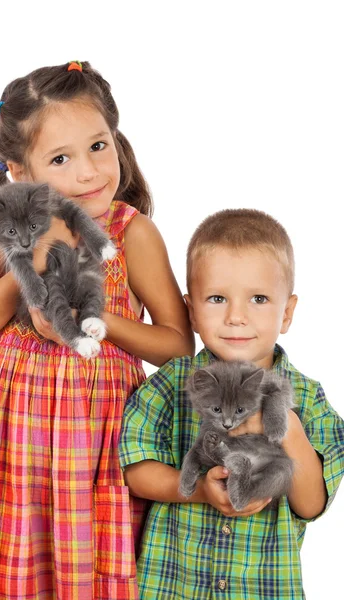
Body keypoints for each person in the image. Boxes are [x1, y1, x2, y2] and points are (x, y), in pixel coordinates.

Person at [0, 60, 194, 600]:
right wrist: (23, 268)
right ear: (19, 171)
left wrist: (100, 324)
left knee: (89, 568)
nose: (88, 172)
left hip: (95, 444)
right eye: (61, 158)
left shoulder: (133, 233)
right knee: (12, 564)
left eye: (98, 146)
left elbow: (178, 346)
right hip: (10, 447)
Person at [119, 208, 344, 599]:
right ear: (191, 310)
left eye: (258, 299)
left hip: (262, 587)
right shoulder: (172, 384)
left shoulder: (306, 396)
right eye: (217, 298)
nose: (236, 317)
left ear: (287, 312)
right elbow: (133, 471)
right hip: (173, 585)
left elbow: (310, 504)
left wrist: (287, 428)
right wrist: (197, 489)